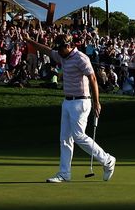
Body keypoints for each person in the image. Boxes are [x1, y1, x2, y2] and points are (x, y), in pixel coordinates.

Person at [24, 32, 115, 183]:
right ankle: (64, 173)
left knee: (78, 136)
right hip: (67, 102)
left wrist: (97, 102)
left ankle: (107, 160)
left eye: (60, 49)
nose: (58, 52)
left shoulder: (81, 58)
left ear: (68, 46)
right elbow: (46, 50)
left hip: (81, 102)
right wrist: (29, 41)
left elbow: (92, 78)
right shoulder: (62, 56)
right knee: (65, 139)